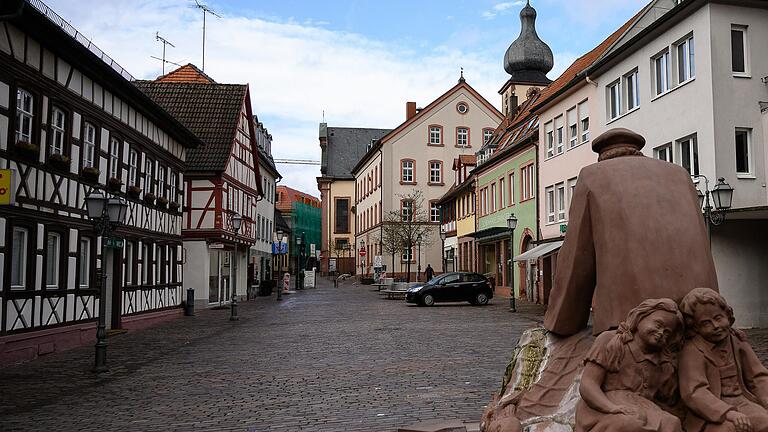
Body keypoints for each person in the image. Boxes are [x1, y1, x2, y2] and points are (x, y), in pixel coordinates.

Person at [544, 128, 718, 336]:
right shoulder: (681, 175)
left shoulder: (592, 176)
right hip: (703, 319)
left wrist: (558, 322)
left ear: (602, 156)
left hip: (632, 326)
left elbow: (575, 265)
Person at [576, 298, 684, 432]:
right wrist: (611, 408)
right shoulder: (610, 341)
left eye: (667, 332)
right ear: (640, 317)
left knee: (671, 423)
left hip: (643, 408)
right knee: (631, 422)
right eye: (658, 325)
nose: (661, 333)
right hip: (603, 407)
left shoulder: (661, 361)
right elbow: (588, 384)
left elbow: (663, 399)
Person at [679, 288, 768, 432]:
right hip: (710, 412)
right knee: (729, 430)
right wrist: (728, 413)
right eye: (706, 323)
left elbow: (758, 377)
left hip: (743, 402)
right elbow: (695, 393)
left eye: (718, 318)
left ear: (728, 315)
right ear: (695, 328)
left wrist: (766, 398)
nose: (716, 326)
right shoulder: (692, 351)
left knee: (765, 423)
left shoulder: (737, 342)